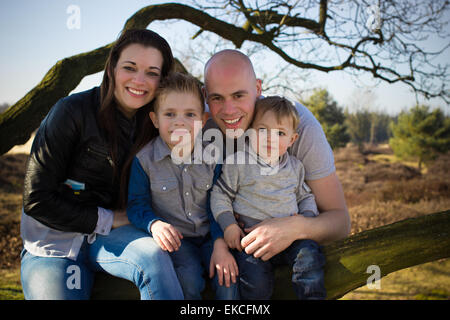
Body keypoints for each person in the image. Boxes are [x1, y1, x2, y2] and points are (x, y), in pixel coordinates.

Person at [20, 29, 184, 300]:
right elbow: (37, 199)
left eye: (152, 73)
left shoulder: (158, 122)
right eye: (130, 67)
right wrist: (109, 217)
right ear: (111, 68)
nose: (139, 80)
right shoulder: (70, 111)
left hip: (113, 238)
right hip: (54, 244)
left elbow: (207, 116)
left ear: (162, 79)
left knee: (154, 256)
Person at [202, 49, 351, 289]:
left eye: (239, 95)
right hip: (234, 253)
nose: (228, 110)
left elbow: (341, 222)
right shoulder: (192, 121)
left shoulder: (295, 123)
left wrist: (296, 227)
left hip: (293, 252)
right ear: (205, 96)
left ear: (258, 88)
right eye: (217, 97)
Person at [126, 72, 239, 300]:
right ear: (155, 119)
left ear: (203, 119)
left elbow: (219, 202)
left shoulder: (213, 156)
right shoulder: (144, 161)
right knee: (187, 282)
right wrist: (154, 224)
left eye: (189, 114)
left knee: (228, 279)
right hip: (178, 241)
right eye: (169, 114)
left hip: (211, 235)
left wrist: (220, 244)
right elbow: (136, 203)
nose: (179, 122)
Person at [210, 96, 326, 299]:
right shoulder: (239, 163)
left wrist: (305, 219)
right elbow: (220, 194)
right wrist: (229, 225)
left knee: (310, 260)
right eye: (263, 130)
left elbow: (305, 196)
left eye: (280, 133)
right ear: (250, 133)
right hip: (251, 240)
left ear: (292, 140)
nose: (270, 138)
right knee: (256, 284)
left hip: (291, 238)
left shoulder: (295, 167)